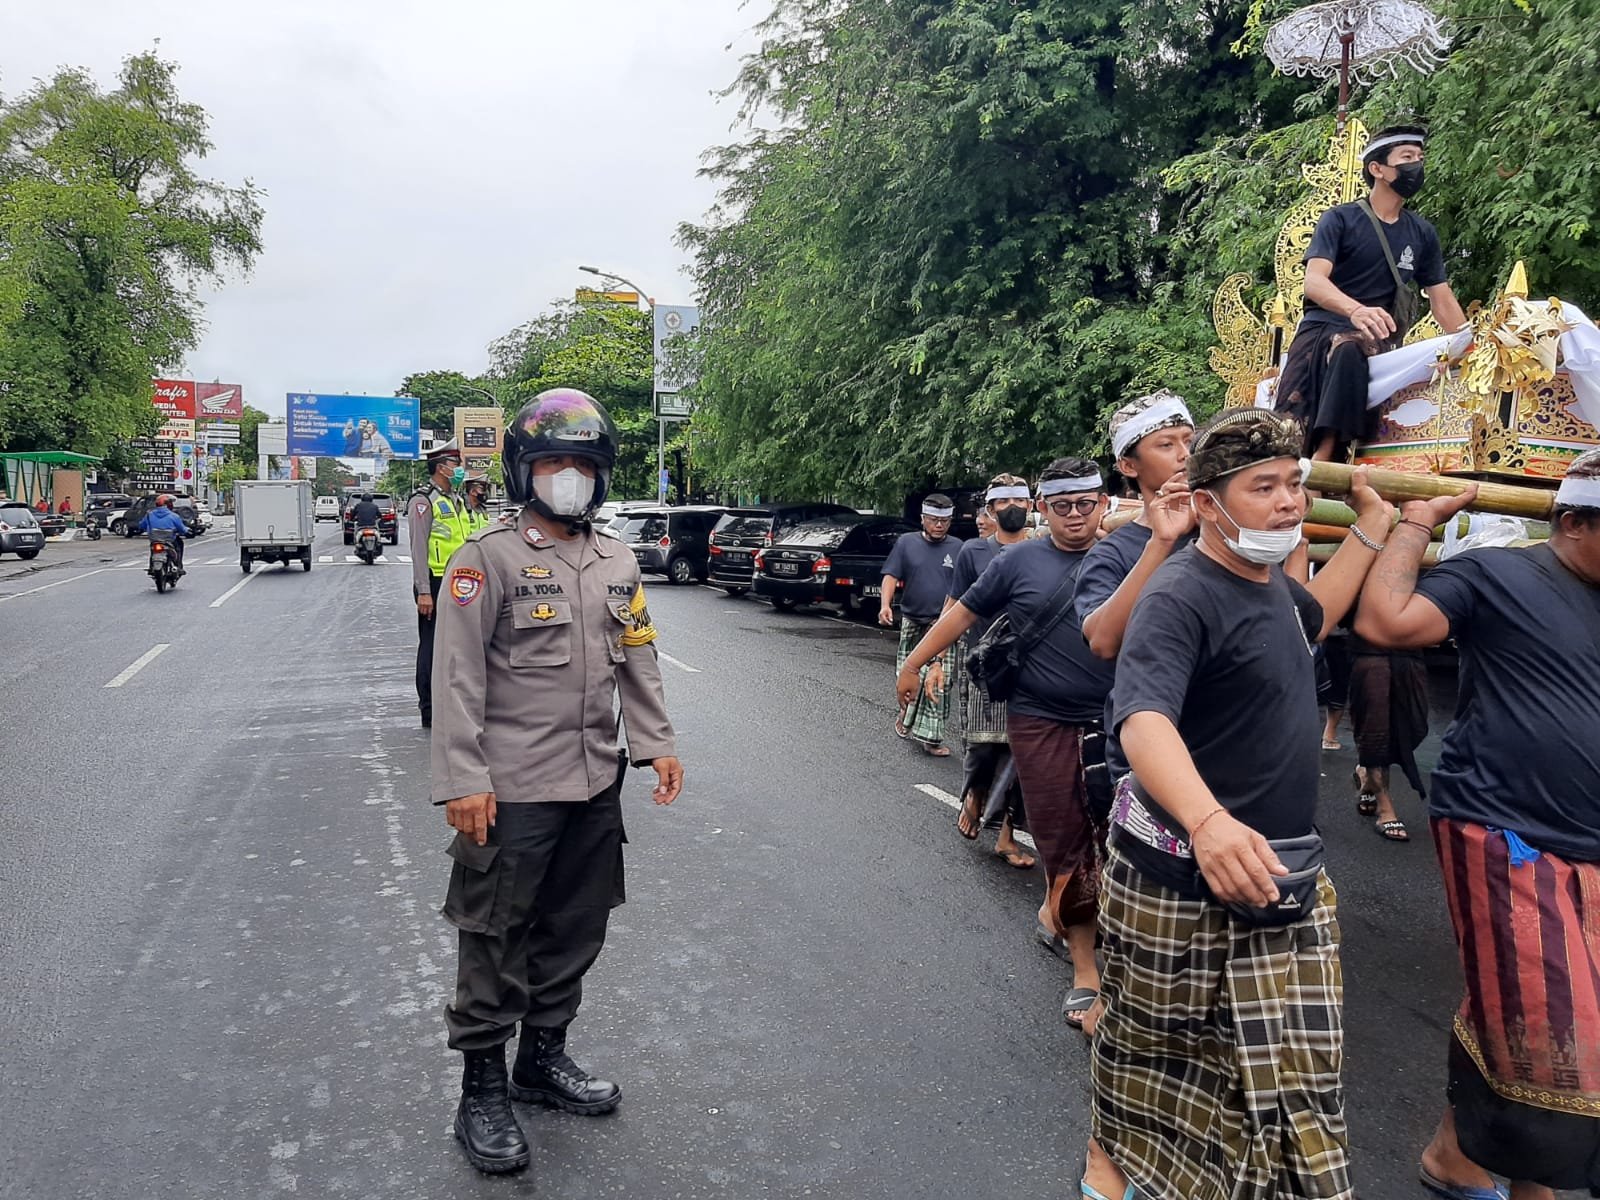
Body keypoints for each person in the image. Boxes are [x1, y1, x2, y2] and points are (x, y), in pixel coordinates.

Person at [1080, 409, 1392, 1200]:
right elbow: (1142, 720)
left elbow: (1317, 620)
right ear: (1207, 505)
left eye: (1294, 484)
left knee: (1297, 1075)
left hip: (1285, 872)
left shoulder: (1276, 587)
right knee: (1160, 1059)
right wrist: (1209, 822)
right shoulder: (1179, 594)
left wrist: (1378, 527)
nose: (1288, 503)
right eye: (1263, 487)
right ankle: (1111, 1166)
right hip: (1185, 879)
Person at [431, 388, 685, 1176]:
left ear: (601, 475)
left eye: (582, 463)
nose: (568, 476)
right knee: (495, 936)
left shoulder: (616, 559)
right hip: (510, 788)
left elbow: (637, 652)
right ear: (524, 471)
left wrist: (656, 742)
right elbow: (457, 677)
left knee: (576, 927)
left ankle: (540, 1060)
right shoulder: (487, 559)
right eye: (553, 463)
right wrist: (463, 778)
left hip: (594, 781)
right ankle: (481, 1091)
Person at [1354, 448, 1600, 1200]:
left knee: (1532, 999)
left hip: (1592, 842)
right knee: (1558, 1027)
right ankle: (1536, 1190)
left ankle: (1450, 1152)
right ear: (1573, 522)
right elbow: (1386, 620)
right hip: (1503, 827)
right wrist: (1413, 526)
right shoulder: (1497, 573)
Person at [896, 459, 1118, 1032]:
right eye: (1062, 506)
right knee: (1065, 842)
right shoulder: (1017, 561)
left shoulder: (1128, 555)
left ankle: (1060, 910)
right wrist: (917, 663)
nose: (1075, 516)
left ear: (1103, 502)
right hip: (1039, 721)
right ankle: (1086, 969)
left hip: (1120, 720)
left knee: (1115, 838)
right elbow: (961, 614)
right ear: (1043, 509)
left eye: (1086, 504)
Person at [1274, 125, 1469, 462]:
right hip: (1323, 330)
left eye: (1420, 157)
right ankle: (1307, 461)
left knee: (1360, 349)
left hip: (1377, 339)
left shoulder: (1422, 233)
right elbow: (1314, 282)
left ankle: (1339, 457)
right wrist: (1356, 311)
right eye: (1406, 157)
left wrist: (1471, 344)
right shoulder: (1339, 220)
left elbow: (1442, 298)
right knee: (1290, 424)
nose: (1416, 165)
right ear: (1377, 168)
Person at [929, 473, 1034, 867]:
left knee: (1022, 757)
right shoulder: (973, 552)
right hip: (983, 667)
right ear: (990, 509)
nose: (1013, 508)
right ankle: (974, 793)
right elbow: (953, 607)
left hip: (1032, 669)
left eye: (1020, 500)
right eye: (1004, 502)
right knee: (984, 746)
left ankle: (1006, 837)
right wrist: (936, 660)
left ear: (1031, 505)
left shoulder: (1044, 548)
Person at [1077, 389, 1197, 661]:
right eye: (1166, 445)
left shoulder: (1226, 528)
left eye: (1189, 441)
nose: (1185, 455)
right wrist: (1161, 543)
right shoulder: (1111, 554)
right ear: (1128, 466)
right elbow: (1102, 642)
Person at [880, 494, 959, 756]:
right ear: (923, 519)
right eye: (934, 520)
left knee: (939, 681)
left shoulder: (959, 548)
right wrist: (885, 605)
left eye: (944, 521)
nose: (939, 525)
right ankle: (905, 715)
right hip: (913, 620)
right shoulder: (907, 543)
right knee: (908, 674)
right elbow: (891, 575)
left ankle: (931, 738)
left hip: (944, 625)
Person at [408, 440, 470, 728]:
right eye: (455, 464)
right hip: (434, 582)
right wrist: (423, 591)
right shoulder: (423, 500)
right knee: (432, 646)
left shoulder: (456, 500)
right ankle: (429, 709)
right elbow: (418, 548)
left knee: (459, 645)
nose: (459, 469)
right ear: (441, 468)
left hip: (460, 582)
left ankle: (454, 704)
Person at [1346, 631, 1428, 841]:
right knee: (1375, 731)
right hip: (1370, 650)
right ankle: (1385, 809)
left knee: (1413, 727)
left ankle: (1366, 777)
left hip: (1409, 650)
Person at [135, 494, 189, 573]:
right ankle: (178, 566)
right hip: (169, 540)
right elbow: (182, 529)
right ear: (168, 505)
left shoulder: (149, 515)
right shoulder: (174, 516)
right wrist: (186, 531)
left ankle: (151, 567)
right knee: (179, 544)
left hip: (154, 539)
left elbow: (141, 525)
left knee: (153, 549)